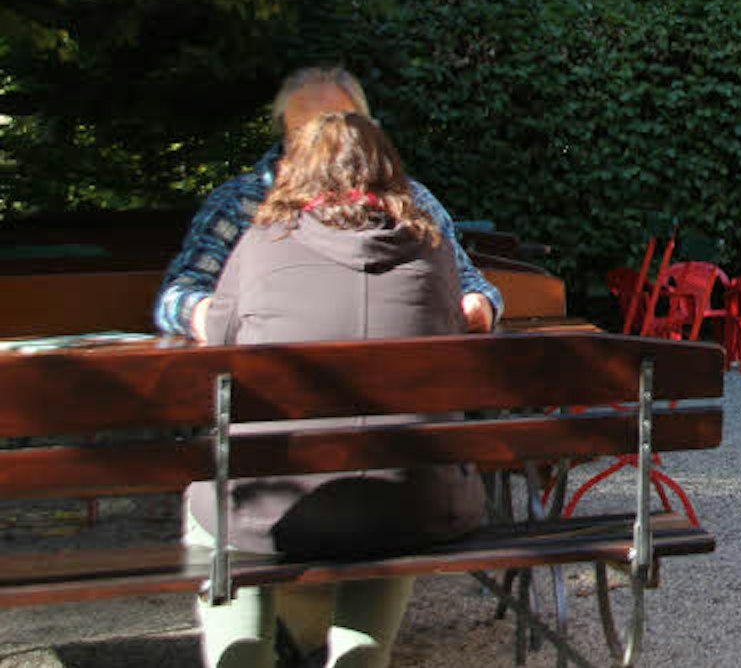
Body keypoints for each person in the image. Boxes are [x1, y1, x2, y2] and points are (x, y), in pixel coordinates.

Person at [185, 111, 486, 668]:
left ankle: (243, 653)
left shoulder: (260, 246)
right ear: (388, 171)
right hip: (414, 506)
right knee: (395, 487)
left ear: (297, 174)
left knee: (219, 503)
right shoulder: (433, 249)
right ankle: (358, 658)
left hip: (272, 510)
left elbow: (217, 347)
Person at [154, 67, 500, 341]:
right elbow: (178, 296)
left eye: (342, 129)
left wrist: (476, 305)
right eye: (309, 133)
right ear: (284, 133)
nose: (328, 148)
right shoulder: (239, 204)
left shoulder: (413, 202)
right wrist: (215, 314)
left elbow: (474, 287)